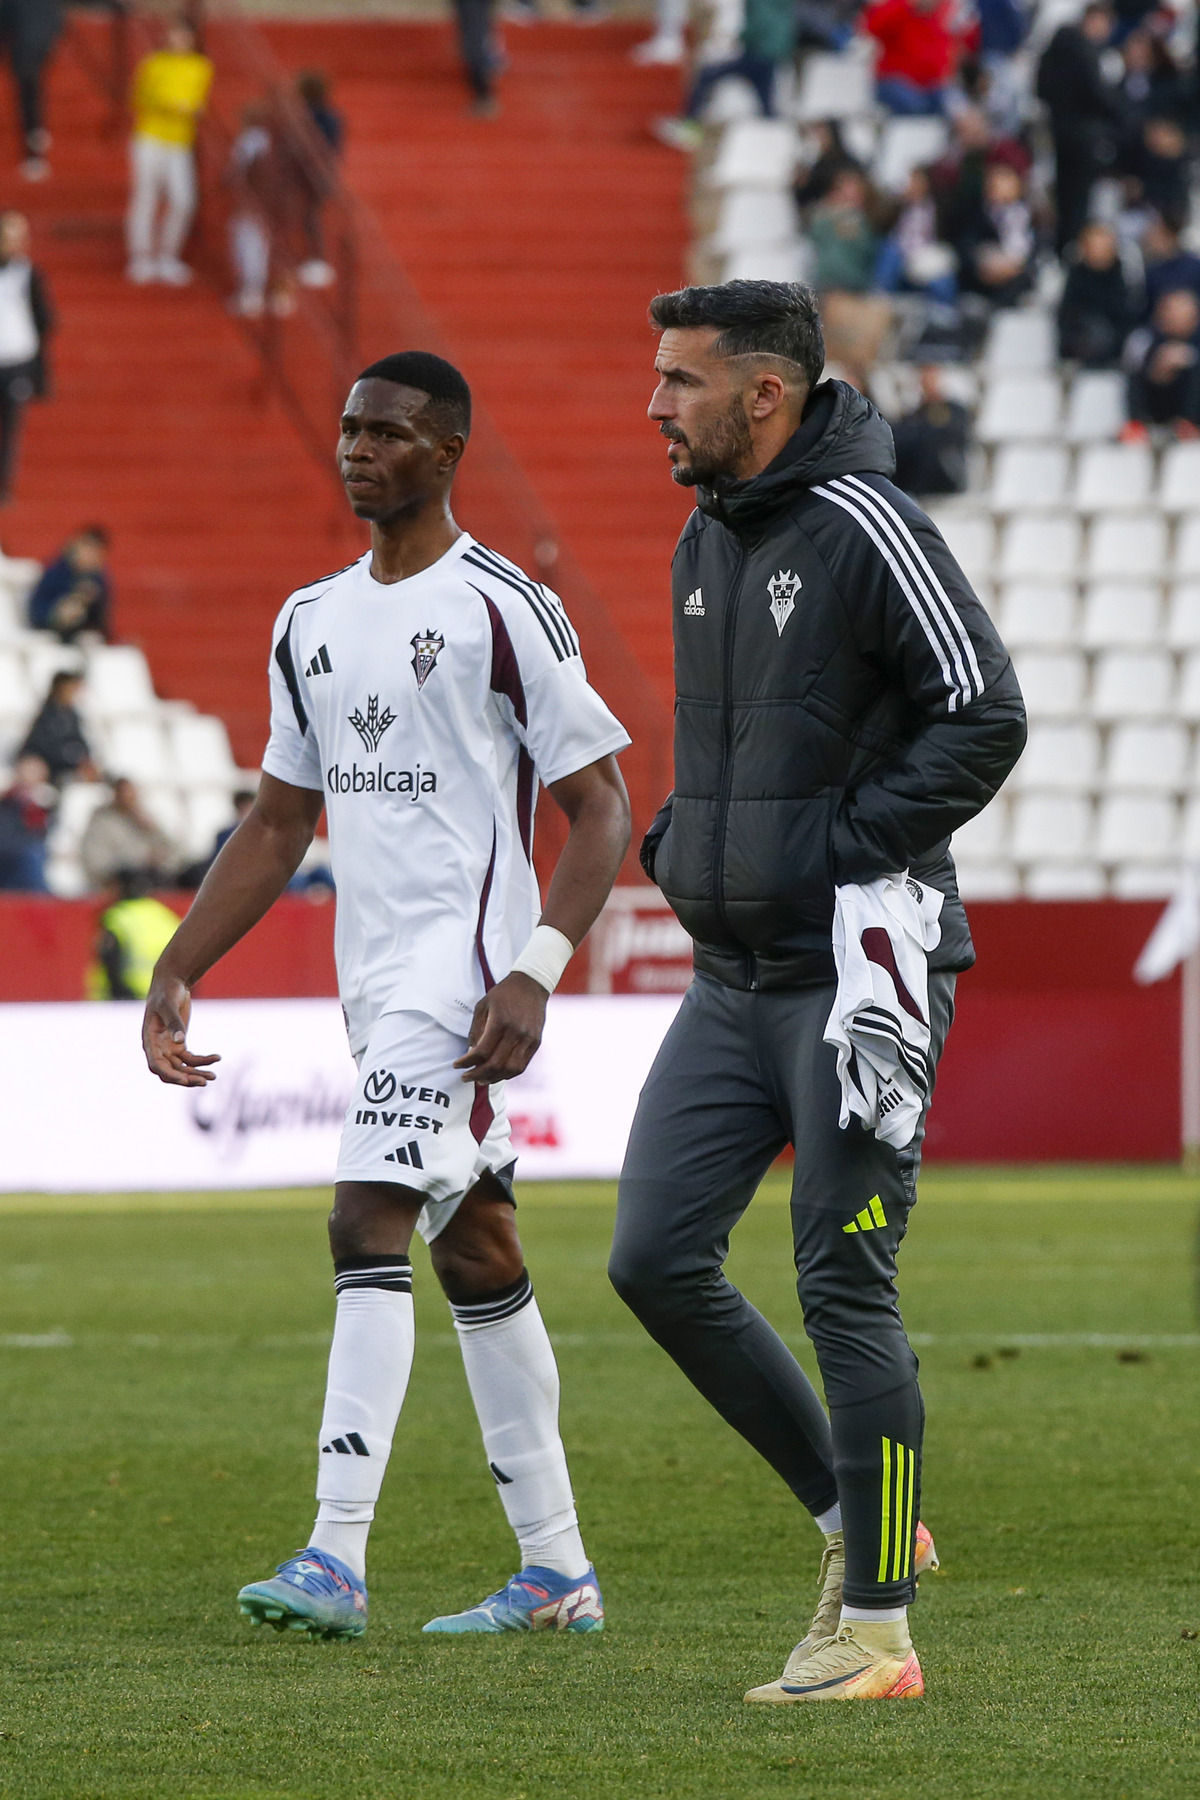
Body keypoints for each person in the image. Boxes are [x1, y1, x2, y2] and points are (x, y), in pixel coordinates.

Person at [140, 350, 632, 1642]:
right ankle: (557, 1571)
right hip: (375, 981)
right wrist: (183, 962)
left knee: (365, 1221)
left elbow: (601, 809)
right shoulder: (309, 617)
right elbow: (276, 818)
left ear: (448, 450)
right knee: (476, 1247)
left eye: (389, 432)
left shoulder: (504, 607)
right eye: (352, 430)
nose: (359, 449)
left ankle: (334, 1555)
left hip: (461, 976)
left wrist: (535, 967)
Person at [611, 280, 1025, 1702]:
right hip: (731, 981)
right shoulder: (704, 536)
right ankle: (859, 1515)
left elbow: (988, 710)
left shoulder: (867, 526)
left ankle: (880, 1639)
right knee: (653, 1258)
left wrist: (844, 852)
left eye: (678, 380)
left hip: (856, 978)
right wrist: (685, 841)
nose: (654, 405)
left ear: (763, 393)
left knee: (843, 1279)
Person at [126, 17, 214, 285]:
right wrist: (171, 104)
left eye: (184, 37)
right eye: (174, 36)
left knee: (183, 199)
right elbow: (139, 97)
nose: (178, 42)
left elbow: (199, 100)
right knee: (146, 196)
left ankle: (167, 255)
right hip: (150, 136)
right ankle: (141, 257)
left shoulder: (201, 67)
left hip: (180, 140)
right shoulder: (153, 63)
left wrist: (186, 107)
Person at [1036, 2, 1124, 253]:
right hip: (1082, 137)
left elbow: (1042, 90)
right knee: (1077, 197)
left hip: (1060, 131)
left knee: (1065, 193)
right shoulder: (1082, 48)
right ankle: (1073, 246)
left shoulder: (1056, 46)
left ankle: (1064, 244)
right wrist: (1123, 114)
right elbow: (1097, 93)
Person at [653, 0, 797, 150]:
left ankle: (691, 126)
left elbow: (759, 26)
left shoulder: (762, 4)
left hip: (758, 55)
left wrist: (741, 39)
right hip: (772, 57)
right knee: (766, 102)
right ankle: (775, 141)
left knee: (708, 75)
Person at [0, 210, 51, 504]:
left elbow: (44, 318)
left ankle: (3, 486)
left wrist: (38, 369)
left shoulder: (29, 273)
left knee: (11, 428)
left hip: (16, 361)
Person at [88, 868, 182, 1000]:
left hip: (123, 1003)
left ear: (119, 887)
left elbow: (110, 964)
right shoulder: (166, 916)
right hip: (164, 999)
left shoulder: (117, 917)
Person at [954, 159, 1035, 308]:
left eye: (1003, 180)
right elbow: (965, 247)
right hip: (981, 281)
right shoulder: (975, 215)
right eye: (992, 181)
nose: (996, 185)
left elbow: (1037, 250)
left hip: (1017, 280)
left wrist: (1015, 267)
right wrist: (983, 265)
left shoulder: (1032, 216)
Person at [1122, 286, 1200, 439]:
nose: (1176, 318)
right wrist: (1158, 372)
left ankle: (1189, 422)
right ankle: (1138, 425)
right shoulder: (1146, 340)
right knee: (1136, 373)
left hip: (1192, 413)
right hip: (1158, 407)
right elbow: (1135, 373)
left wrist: (1191, 359)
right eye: (1171, 313)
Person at [1057, 220, 1138, 365]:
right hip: (1082, 344)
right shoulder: (1076, 276)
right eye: (1093, 245)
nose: (1098, 251)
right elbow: (1067, 316)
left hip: (1115, 347)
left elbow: (1126, 317)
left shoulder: (1123, 276)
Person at [0, 0, 64, 180]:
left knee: (28, 101)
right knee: (31, 98)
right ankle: (36, 144)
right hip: (34, 54)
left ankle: (34, 150)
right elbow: (57, 23)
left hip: (25, 56)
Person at [863, 0, 962, 116]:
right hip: (894, 84)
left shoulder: (941, 19)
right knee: (915, 106)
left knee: (956, 107)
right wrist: (908, 4)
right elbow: (872, 26)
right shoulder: (899, 11)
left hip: (930, 87)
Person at [81, 777, 179, 891]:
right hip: (120, 885)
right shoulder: (101, 823)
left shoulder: (146, 819)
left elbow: (174, 853)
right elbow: (96, 862)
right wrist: (139, 862)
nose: (128, 797)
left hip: (152, 881)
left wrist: (152, 829)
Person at [294, 70, 342, 287]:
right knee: (310, 216)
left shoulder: (305, 116)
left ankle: (315, 259)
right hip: (322, 172)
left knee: (310, 216)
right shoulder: (331, 116)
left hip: (308, 173)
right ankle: (313, 259)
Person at [891, 361, 969, 495]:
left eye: (931, 377)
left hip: (945, 471)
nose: (927, 382)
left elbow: (953, 438)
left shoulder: (954, 410)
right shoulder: (915, 414)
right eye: (924, 378)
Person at [27, 526, 112, 642]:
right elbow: (36, 611)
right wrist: (57, 613)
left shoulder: (97, 580)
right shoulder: (55, 573)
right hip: (50, 636)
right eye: (87, 548)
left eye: (95, 552)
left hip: (80, 639)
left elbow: (102, 623)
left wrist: (93, 601)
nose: (89, 555)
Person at [18, 670, 95, 786]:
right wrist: (70, 757)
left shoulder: (72, 715)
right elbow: (41, 745)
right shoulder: (46, 715)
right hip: (49, 765)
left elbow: (80, 741)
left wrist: (84, 759)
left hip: (65, 764)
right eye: (69, 689)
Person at [0, 752, 51, 889]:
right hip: (13, 859)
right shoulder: (8, 802)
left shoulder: (51, 802)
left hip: (44, 855)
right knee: (32, 855)